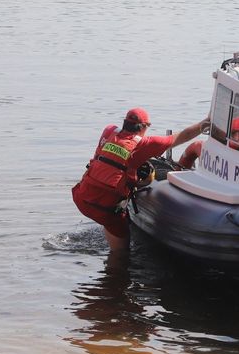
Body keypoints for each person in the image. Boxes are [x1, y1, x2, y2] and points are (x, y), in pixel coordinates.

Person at [72, 108, 208, 252]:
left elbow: (112, 164)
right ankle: (116, 269)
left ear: (125, 122)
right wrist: (204, 124)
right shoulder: (144, 144)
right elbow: (183, 135)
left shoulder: (109, 131)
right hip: (105, 208)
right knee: (121, 250)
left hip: (82, 197)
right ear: (144, 127)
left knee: (108, 218)